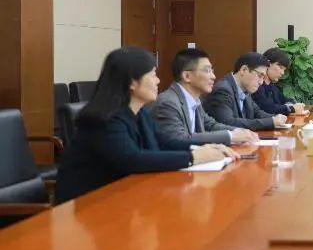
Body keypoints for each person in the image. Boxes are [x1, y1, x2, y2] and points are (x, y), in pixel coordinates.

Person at [55, 47, 231, 203]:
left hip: (124, 197)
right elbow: (133, 160)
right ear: (132, 82)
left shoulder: (139, 113)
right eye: (153, 74)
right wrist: (193, 157)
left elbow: (166, 142)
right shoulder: (106, 119)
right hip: (90, 204)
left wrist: (206, 148)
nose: (158, 81)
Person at [151, 48, 259, 145]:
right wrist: (230, 136)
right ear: (187, 76)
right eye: (207, 70)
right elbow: (178, 138)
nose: (213, 76)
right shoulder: (168, 102)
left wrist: (239, 131)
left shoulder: (195, 99)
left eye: (212, 70)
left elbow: (210, 125)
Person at [203, 52, 290, 131]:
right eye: (260, 76)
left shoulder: (245, 89)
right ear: (244, 70)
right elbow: (229, 122)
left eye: (263, 77)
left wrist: (276, 118)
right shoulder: (223, 90)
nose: (261, 82)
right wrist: (271, 122)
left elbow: (257, 112)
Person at [252, 48, 306, 115]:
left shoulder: (272, 86)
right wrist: (291, 108)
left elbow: (286, 100)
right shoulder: (257, 86)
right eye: (280, 67)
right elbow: (268, 108)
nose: (282, 73)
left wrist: (295, 105)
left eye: (284, 70)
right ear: (268, 64)